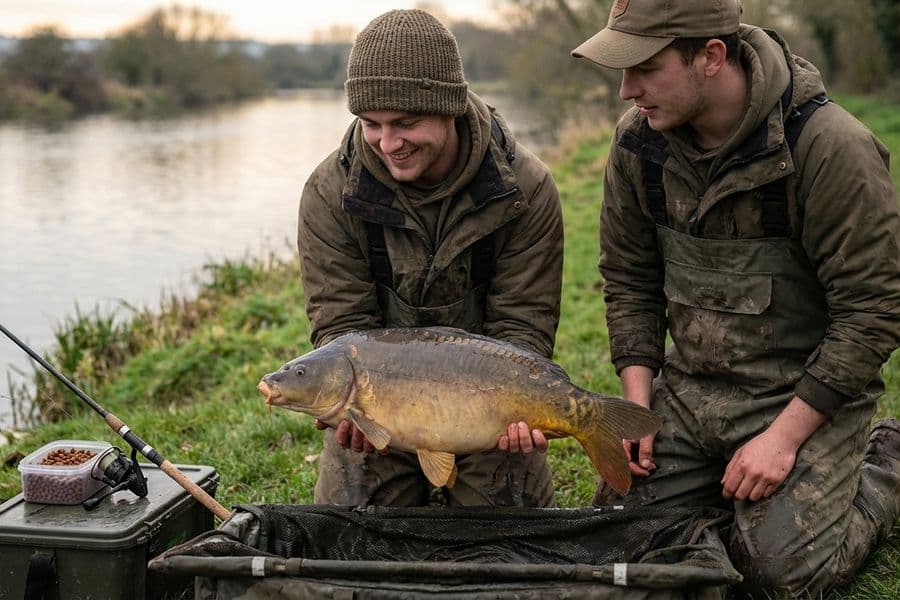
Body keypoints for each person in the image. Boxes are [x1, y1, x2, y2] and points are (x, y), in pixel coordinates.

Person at [571, 0, 900, 596]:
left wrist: (783, 439)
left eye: (644, 67)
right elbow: (628, 280)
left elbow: (873, 311)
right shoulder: (637, 144)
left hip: (800, 397)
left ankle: (885, 466)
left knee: (781, 577)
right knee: (612, 539)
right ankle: (724, 501)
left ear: (711, 57)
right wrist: (637, 408)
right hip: (692, 394)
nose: (625, 90)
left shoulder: (830, 148)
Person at [298, 9, 563, 508]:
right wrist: (355, 413)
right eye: (371, 124)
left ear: (451, 107)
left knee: (508, 551)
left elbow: (524, 327)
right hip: (381, 409)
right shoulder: (328, 193)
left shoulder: (525, 189)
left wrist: (516, 414)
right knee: (353, 541)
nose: (388, 144)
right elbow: (342, 326)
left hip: (486, 405)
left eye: (406, 123)